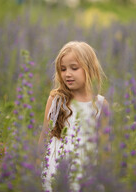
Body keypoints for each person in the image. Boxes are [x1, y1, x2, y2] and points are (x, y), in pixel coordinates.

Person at [37, 41, 109, 192]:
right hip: (56, 169)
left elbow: (104, 147)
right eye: (63, 69)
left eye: (74, 68)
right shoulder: (56, 100)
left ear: (89, 69)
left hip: (86, 173)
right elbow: (44, 136)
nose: (67, 74)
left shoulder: (101, 104)